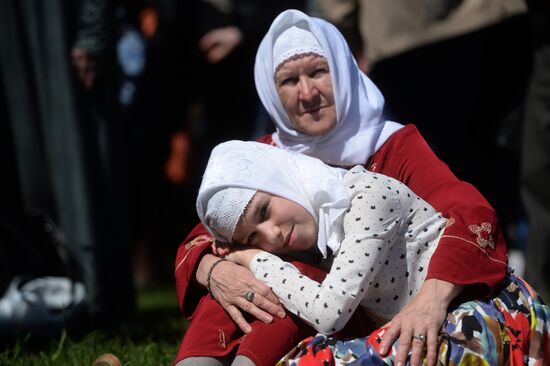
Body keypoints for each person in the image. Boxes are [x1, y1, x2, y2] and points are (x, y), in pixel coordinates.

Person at [173, 9, 509, 366]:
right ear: (271, 93)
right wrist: (214, 270)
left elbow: (470, 214)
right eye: (288, 81)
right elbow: (202, 238)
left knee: (291, 272)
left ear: (345, 69)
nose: (307, 92)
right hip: (303, 303)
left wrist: (432, 298)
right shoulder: (265, 157)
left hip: (359, 309)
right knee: (237, 280)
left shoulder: (393, 146)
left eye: (319, 71)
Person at [197, 139, 550, 365]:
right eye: (254, 238)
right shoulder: (320, 224)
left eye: (264, 211)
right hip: (426, 332)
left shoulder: (364, 197)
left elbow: (328, 312)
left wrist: (253, 259)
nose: (272, 234)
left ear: (282, 179)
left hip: (486, 316)